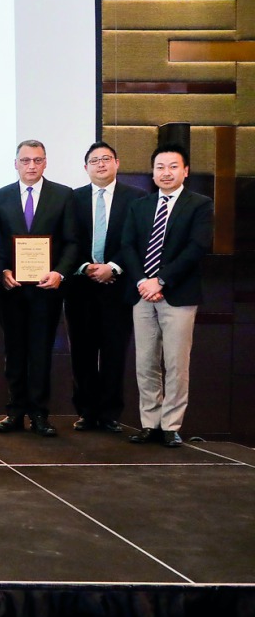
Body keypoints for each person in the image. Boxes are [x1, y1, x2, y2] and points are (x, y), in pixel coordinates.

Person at [119, 145, 213, 448]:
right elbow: (128, 246)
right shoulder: (140, 205)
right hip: (142, 294)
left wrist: (160, 281)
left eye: (173, 166)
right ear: (153, 172)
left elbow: (197, 247)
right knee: (145, 362)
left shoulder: (199, 204)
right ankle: (150, 423)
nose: (166, 172)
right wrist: (142, 282)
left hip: (178, 295)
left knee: (176, 363)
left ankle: (171, 425)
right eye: (160, 167)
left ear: (185, 171)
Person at [0, 140, 78, 437]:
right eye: (25, 160)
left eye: (37, 160)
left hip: (46, 290)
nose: (31, 166)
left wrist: (60, 273)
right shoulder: (0, 196)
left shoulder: (63, 195)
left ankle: (39, 413)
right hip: (11, 290)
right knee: (14, 352)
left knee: (40, 353)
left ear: (45, 163)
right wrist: (2, 271)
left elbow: (72, 241)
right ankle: (14, 412)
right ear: (15, 164)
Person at [64, 142, 146, 432]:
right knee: (82, 352)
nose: (101, 164)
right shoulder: (71, 199)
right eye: (94, 160)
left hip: (118, 287)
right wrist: (85, 266)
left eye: (106, 159)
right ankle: (86, 411)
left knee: (114, 351)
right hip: (80, 287)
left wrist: (113, 266)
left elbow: (138, 240)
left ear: (117, 163)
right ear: (85, 167)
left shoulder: (136, 198)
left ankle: (110, 413)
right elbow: (66, 240)